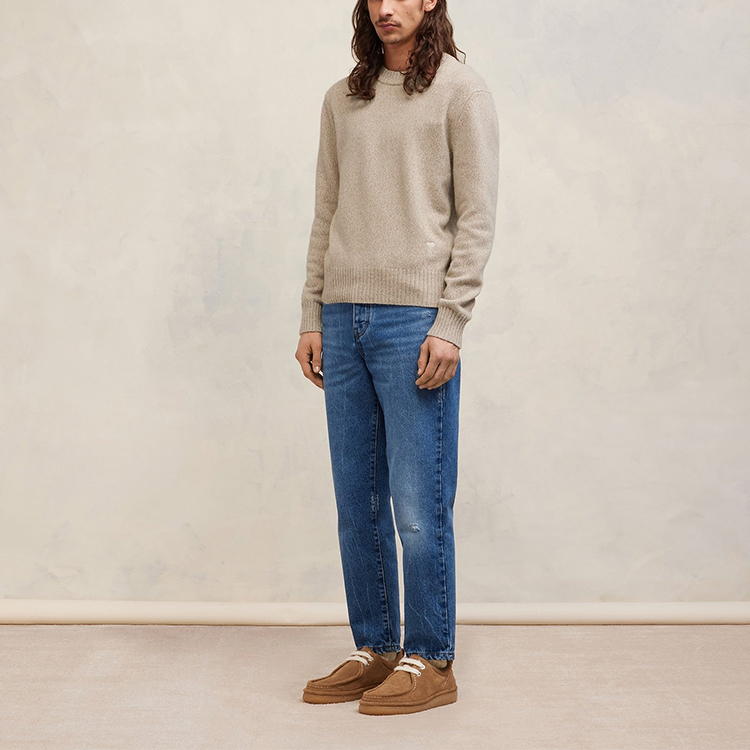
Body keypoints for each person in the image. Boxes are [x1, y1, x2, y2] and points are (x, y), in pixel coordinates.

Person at [294, 0, 499, 715]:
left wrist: (451, 321)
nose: (386, 8)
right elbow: (326, 212)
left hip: (415, 321)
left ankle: (431, 658)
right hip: (342, 316)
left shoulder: (460, 92)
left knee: (417, 504)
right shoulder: (341, 100)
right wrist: (312, 312)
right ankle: (377, 646)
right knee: (357, 503)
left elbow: (476, 216)